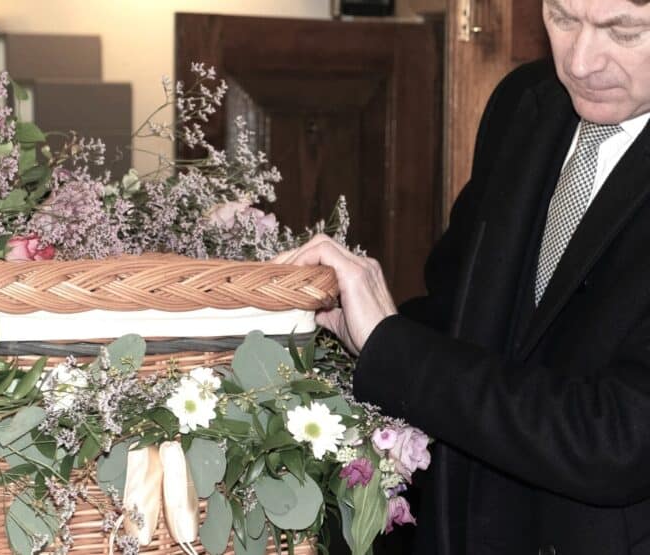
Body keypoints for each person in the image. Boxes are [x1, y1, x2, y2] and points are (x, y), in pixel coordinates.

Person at [276, 1, 650, 553]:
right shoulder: (524, 101)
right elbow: (461, 318)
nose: (580, 61)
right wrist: (347, 320)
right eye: (562, 17)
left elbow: (617, 441)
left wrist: (393, 346)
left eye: (624, 31)